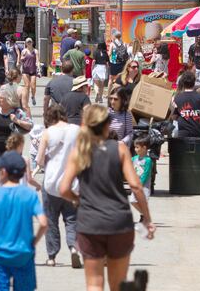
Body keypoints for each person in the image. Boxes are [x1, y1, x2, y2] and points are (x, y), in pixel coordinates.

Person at [59, 105, 155, 291]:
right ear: (107, 126)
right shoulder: (119, 149)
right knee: (117, 284)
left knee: (94, 283)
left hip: (90, 222)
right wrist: (147, 219)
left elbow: (63, 188)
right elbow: (136, 186)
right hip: (119, 221)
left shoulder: (79, 151)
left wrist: (78, 199)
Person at [0, 151, 48, 291]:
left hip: (0, 252)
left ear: (3, 172)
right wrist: (33, 242)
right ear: (23, 173)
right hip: (24, 252)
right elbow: (44, 223)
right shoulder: (29, 194)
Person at [36, 105, 82, 269]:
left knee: (51, 220)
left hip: (51, 182)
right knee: (72, 219)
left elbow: (40, 160)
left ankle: (52, 256)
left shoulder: (47, 133)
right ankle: (73, 247)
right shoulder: (77, 130)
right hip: (71, 183)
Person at [0, 86, 34, 186]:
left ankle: (10, 190)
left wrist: (17, 121)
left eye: (1, 98)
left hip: (13, 147)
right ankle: (0, 187)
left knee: (12, 171)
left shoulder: (17, 112)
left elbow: (30, 125)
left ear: (9, 99)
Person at [172, 72, 200, 139]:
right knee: (199, 150)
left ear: (183, 83)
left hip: (184, 135)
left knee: (185, 150)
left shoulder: (178, 98)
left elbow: (174, 117)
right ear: (194, 82)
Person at [129, 135, 153, 221]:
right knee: (132, 201)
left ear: (144, 148)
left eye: (137, 147)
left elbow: (146, 173)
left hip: (144, 186)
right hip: (136, 185)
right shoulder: (134, 158)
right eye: (135, 147)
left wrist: (140, 184)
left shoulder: (148, 160)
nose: (135, 149)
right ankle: (143, 214)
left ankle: (145, 217)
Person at [20, 38, 40, 107]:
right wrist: (22, 58)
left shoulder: (35, 51)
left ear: (32, 43)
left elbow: (37, 60)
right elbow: (21, 60)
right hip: (25, 70)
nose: (29, 43)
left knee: (33, 86)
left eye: (30, 42)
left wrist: (39, 69)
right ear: (25, 43)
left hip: (33, 70)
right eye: (28, 42)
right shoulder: (24, 51)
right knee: (27, 85)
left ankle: (33, 96)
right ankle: (26, 99)